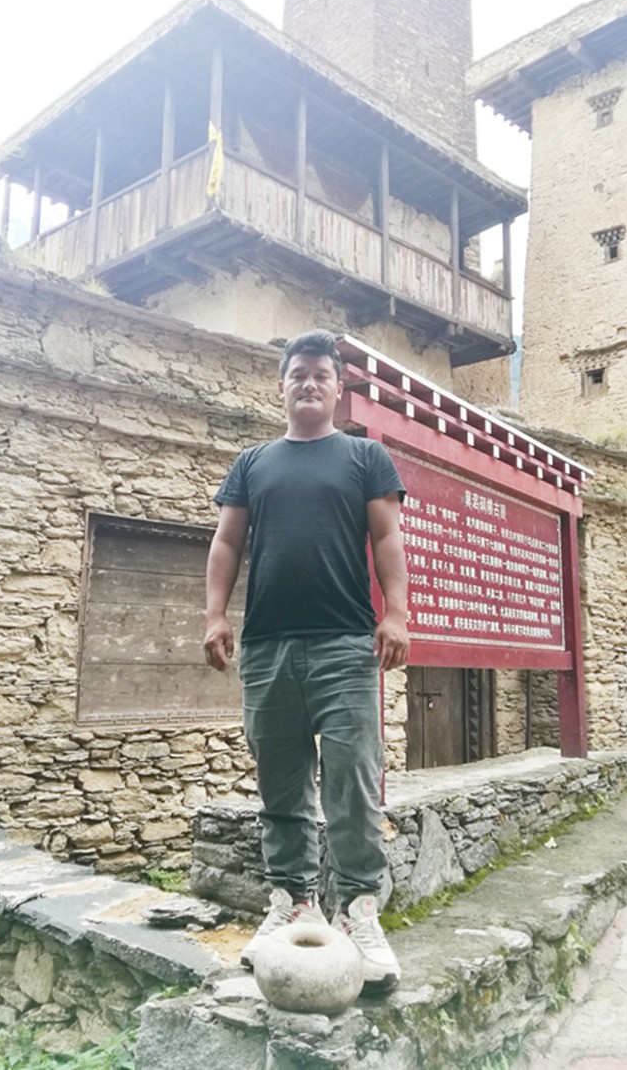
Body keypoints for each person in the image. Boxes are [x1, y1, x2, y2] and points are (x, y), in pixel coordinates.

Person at [203, 328, 409, 992]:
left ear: (338, 388)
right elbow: (226, 544)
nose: (310, 383)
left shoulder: (364, 457)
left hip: (345, 645)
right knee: (281, 785)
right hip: (267, 647)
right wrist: (214, 615)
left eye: (322, 374)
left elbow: (387, 537)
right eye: (299, 373)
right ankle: (292, 902)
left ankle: (358, 912)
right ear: (282, 386)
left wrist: (396, 613)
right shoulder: (252, 463)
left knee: (353, 779)